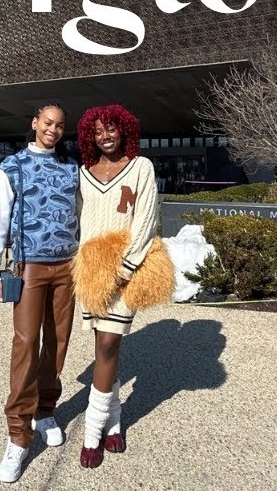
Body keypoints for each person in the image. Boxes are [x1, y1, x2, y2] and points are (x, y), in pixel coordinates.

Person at [71, 103, 174, 469]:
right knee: (102, 347)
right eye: (98, 132)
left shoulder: (141, 167)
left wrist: (127, 267)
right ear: (89, 136)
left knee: (110, 344)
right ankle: (114, 423)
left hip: (124, 269)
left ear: (124, 129)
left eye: (111, 129)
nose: (105, 136)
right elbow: (78, 223)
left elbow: (146, 218)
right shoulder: (83, 173)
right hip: (92, 272)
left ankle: (92, 432)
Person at [0, 102, 79, 484]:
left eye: (59, 125)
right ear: (35, 123)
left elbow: (84, 215)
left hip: (68, 267)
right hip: (30, 269)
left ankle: (45, 411)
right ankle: (18, 435)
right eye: (47, 122)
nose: (53, 130)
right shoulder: (13, 167)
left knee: (57, 342)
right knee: (26, 343)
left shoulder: (72, 168)